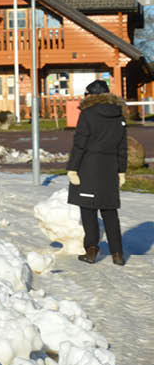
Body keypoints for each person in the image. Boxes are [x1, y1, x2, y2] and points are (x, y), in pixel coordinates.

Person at [67, 79, 127, 266]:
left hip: (89, 166)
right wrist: (121, 171)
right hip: (110, 167)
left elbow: (80, 143)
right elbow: (122, 146)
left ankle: (91, 250)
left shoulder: (88, 114)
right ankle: (118, 254)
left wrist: (72, 167)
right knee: (110, 211)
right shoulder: (119, 115)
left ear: (91, 95)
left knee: (88, 209)